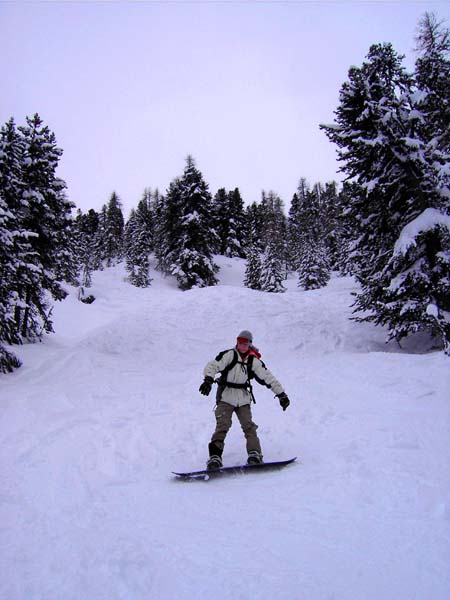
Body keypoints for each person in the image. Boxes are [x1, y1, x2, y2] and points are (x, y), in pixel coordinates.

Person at [199, 330, 290, 470]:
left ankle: (254, 454)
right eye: (240, 342)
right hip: (226, 397)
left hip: (243, 398)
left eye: (245, 343)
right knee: (222, 425)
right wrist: (208, 380)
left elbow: (267, 377)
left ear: (249, 344)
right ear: (237, 342)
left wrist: (281, 394)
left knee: (249, 427)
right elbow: (213, 365)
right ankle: (215, 457)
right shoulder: (229, 355)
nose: (242, 345)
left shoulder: (253, 361)